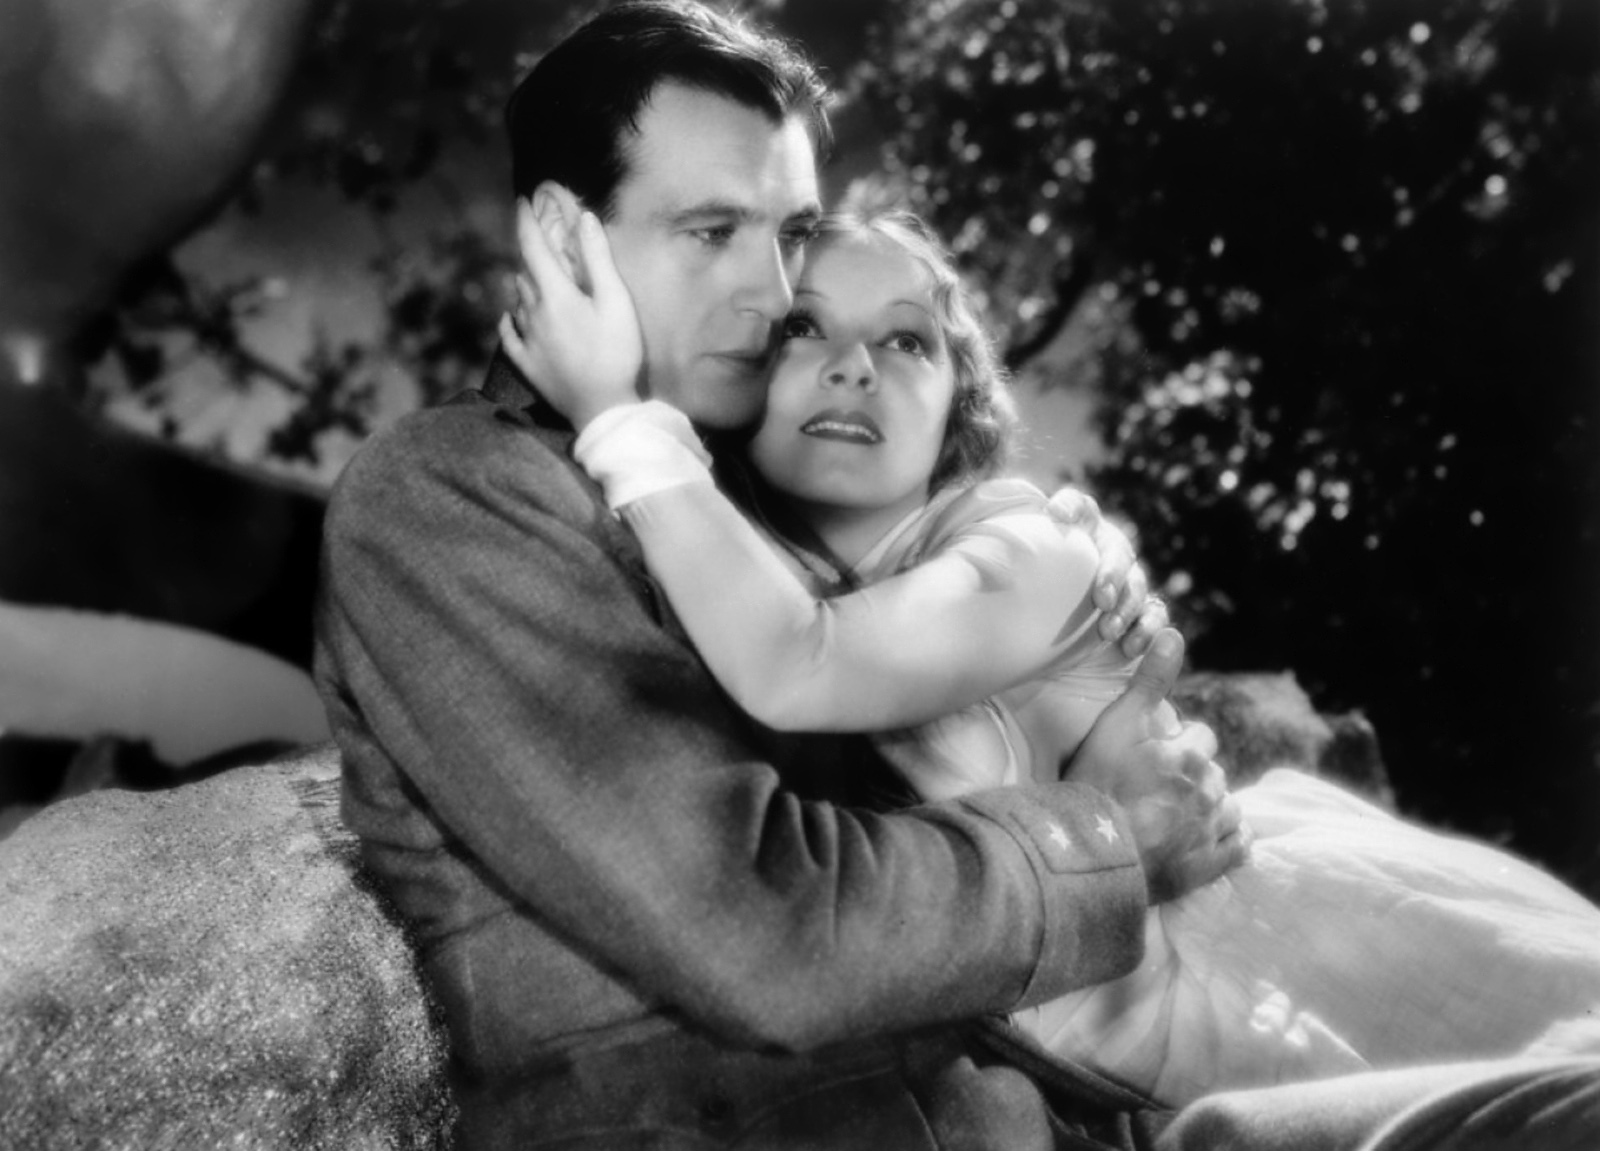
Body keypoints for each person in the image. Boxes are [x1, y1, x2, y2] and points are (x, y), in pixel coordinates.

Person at [314, 2, 1600, 1147]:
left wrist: (1065, 588)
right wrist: (1116, 841)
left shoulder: (738, 494)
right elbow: (763, 933)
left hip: (1091, 1096)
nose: (769, 291)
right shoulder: (452, 498)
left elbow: (932, 619)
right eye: (711, 229)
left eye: (791, 234)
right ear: (560, 233)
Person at [503, 204, 1600, 1108]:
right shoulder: (729, 573)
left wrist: (615, 411)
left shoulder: (1031, 546)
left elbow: (800, 664)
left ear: (958, 408)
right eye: (804, 327)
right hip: (1077, 1070)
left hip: (1264, 984)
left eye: (907, 341)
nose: (853, 368)